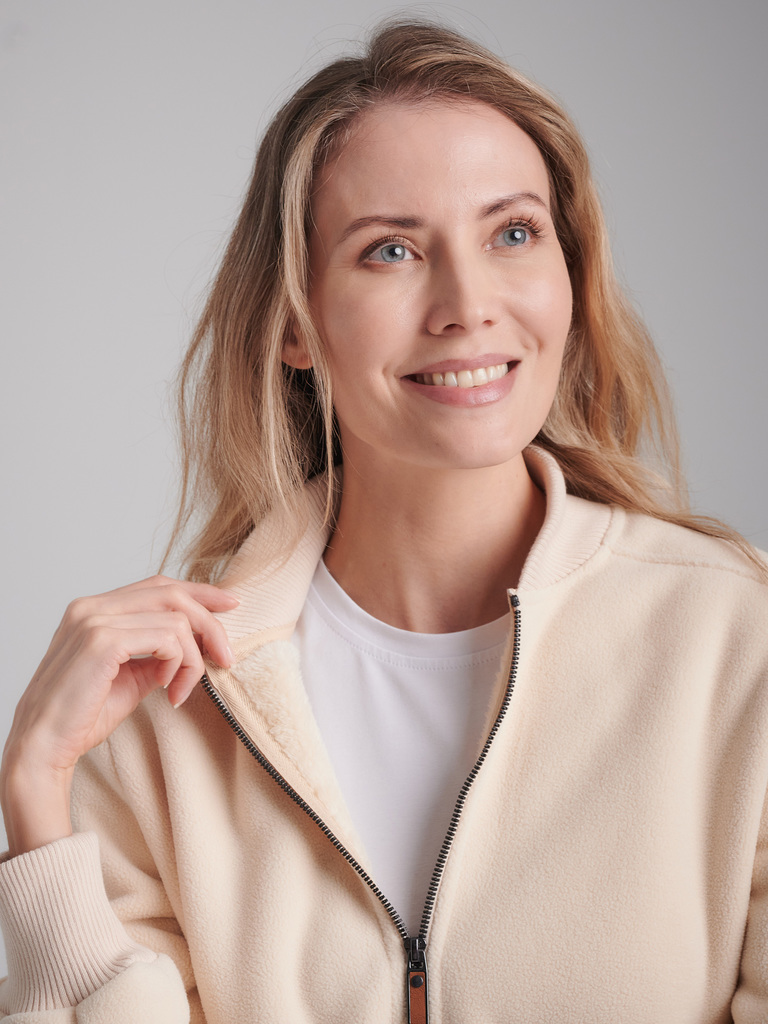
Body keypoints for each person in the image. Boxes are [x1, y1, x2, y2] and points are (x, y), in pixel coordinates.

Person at [0, 18, 766, 1024]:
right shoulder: (162, 707)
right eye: (391, 250)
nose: (467, 304)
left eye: (513, 233)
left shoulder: (739, 641)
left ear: (572, 277)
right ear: (294, 323)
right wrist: (36, 792)